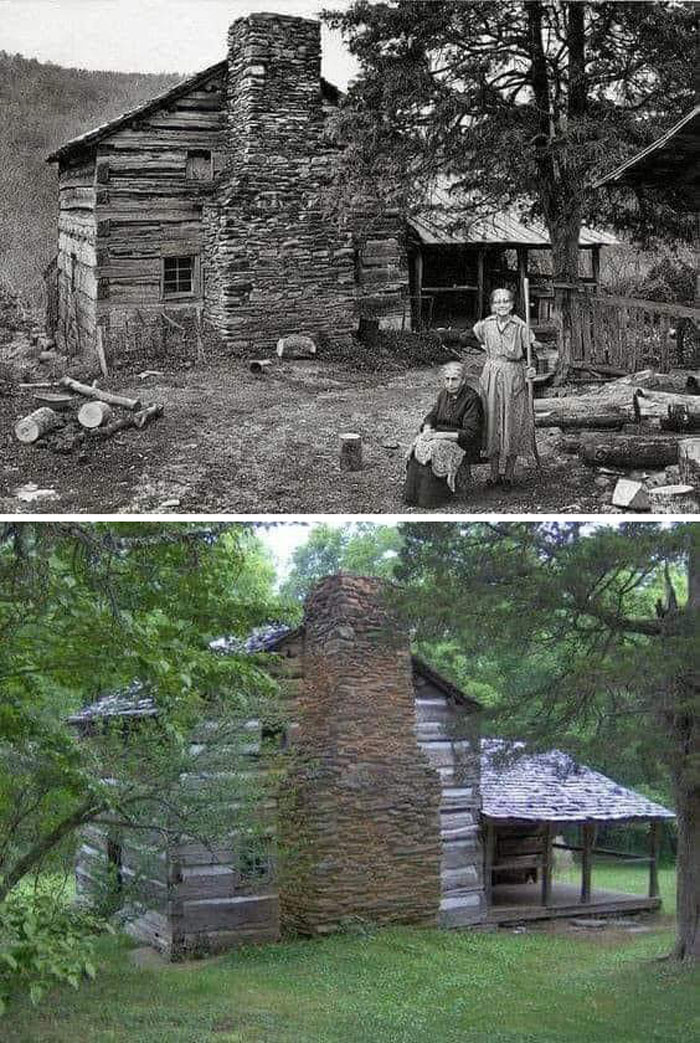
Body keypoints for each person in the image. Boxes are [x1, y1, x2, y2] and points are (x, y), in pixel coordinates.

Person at [473, 288, 538, 486]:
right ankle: (493, 474)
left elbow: (532, 354)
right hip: (491, 375)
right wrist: (484, 348)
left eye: (505, 301)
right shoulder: (486, 325)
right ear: (492, 306)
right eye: (497, 302)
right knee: (491, 420)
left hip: (513, 375)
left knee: (513, 421)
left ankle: (509, 474)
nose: (502, 305)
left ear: (512, 304)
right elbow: (465, 337)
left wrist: (532, 368)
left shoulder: (520, 327)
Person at [404, 361, 484, 508]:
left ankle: (430, 497)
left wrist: (438, 436)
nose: (450, 384)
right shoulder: (444, 394)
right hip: (440, 435)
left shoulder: (471, 399)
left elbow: (470, 434)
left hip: (462, 443)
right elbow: (432, 416)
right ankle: (412, 495)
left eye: (454, 379)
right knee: (420, 444)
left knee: (434, 449)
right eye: (447, 379)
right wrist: (427, 429)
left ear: (463, 380)